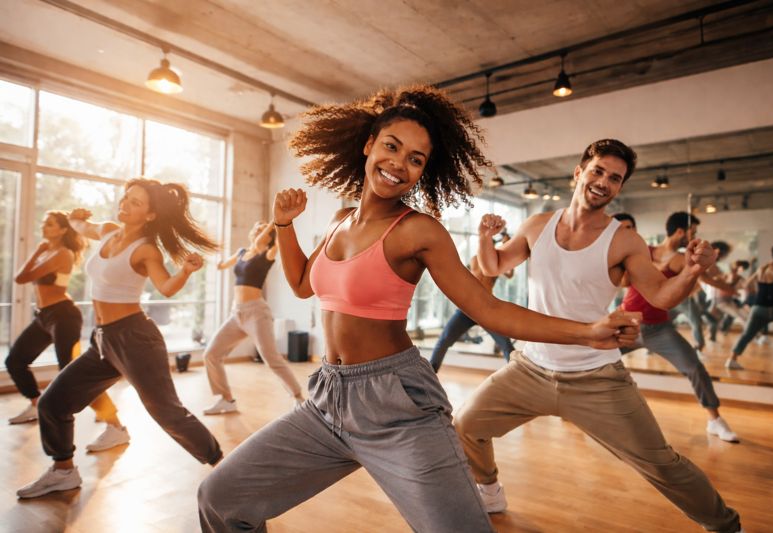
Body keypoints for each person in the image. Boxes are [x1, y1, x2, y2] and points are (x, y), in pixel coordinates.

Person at [197, 86, 640, 533]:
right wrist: (284, 224)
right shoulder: (339, 220)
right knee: (220, 499)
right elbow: (300, 285)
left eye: (415, 159)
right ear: (369, 145)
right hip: (327, 399)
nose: (399, 164)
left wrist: (588, 331)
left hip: (398, 407)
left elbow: (488, 308)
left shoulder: (418, 231)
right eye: (391, 147)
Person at [455, 139, 741, 532]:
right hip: (530, 369)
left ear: (620, 187)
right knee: (465, 425)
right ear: (579, 172)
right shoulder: (537, 225)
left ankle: (726, 525)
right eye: (598, 171)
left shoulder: (623, 240)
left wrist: (692, 271)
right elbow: (494, 266)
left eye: (615, 178)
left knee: (661, 463)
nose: (604, 181)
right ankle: (489, 491)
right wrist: (484, 237)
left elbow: (661, 295)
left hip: (596, 377)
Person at [17, 178, 223, 499]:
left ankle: (224, 467)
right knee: (52, 403)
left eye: (135, 202)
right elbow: (82, 227)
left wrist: (184, 271)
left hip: (135, 339)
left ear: (150, 215)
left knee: (167, 413)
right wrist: (75, 218)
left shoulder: (145, 250)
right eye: (126, 197)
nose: (125, 204)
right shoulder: (109, 231)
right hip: (102, 340)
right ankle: (64, 471)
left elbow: (166, 287)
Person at [621, 215, 738, 442]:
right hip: (628, 324)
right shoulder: (643, 251)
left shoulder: (680, 261)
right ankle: (576, 406)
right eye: (692, 231)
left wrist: (727, 285)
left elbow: (705, 278)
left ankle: (715, 420)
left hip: (658, 329)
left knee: (694, 367)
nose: (695, 236)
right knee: (590, 357)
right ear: (680, 231)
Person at [6, 211, 118, 429]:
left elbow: (22, 278)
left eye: (50, 224)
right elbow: (21, 277)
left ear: (63, 229)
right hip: (44, 316)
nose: (44, 227)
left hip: (63, 316)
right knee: (15, 361)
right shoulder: (47, 252)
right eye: (44, 222)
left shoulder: (62, 254)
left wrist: (38, 251)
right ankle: (36, 403)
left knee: (72, 370)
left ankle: (111, 418)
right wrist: (39, 251)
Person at [202, 220, 304, 415]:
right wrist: (208, 252)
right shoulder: (241, 253)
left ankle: (298, 398)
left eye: (263, 227)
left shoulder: (268, 253)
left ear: (269, 235)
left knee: (271, 358)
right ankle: (226, 400)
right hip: (236, 313)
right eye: (257, 225)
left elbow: (268, 240)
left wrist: (276, 221)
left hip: (257, 313)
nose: (258, 227)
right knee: (211, 354)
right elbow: (221, 266)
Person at [428, 232, 515, 373]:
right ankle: (431, 373)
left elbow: (510, 273)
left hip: (487, 310)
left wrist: (507, 244)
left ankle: (516, 373)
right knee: (444, 340)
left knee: (505, 343)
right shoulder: (474, 259)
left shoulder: (496, 262)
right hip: (467, 309)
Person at [726, 243, 773, 369]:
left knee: (747, 334)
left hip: (758, 308)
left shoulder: (762, 268)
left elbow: (746, 284)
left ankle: (731, 360)